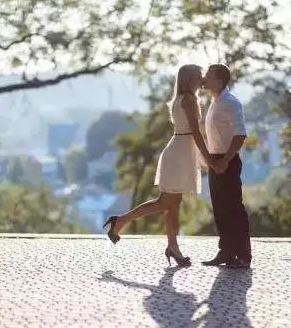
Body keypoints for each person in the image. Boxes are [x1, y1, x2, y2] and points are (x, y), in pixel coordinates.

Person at [103, 64, 212, 266]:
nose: (201, 80)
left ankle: (173, 246)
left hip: (179, 151)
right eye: (198, 76)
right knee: (165, 202)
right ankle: (121, 221)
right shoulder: (188, 100)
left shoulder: (181, 99)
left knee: (172, 204)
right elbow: (196, 133)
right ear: (189, 80)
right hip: (179, 154)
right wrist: (208, 157)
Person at [200, 63, 251, 268]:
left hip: (227, 161)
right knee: (220, 208)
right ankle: (226, 252)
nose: (204, 78)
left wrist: (225, 160)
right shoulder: (215, 101)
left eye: (208, 75)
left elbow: (240, 135)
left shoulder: (231, 102)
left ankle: (243, 256)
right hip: (215, 160)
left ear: (220, 81)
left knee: (234, 208)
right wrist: (212, 161)